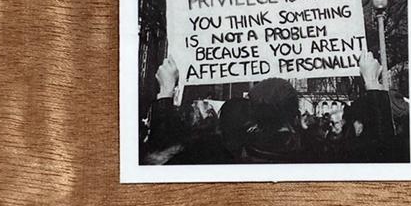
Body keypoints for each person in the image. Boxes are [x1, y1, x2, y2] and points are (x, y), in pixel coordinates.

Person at [142, 52, 396, 164]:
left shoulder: (223, 159)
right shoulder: (321, 156)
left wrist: (166, 90)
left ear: (252, 113)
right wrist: (372, 83)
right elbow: (382, 152)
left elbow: (162, 156)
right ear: (294, 115)